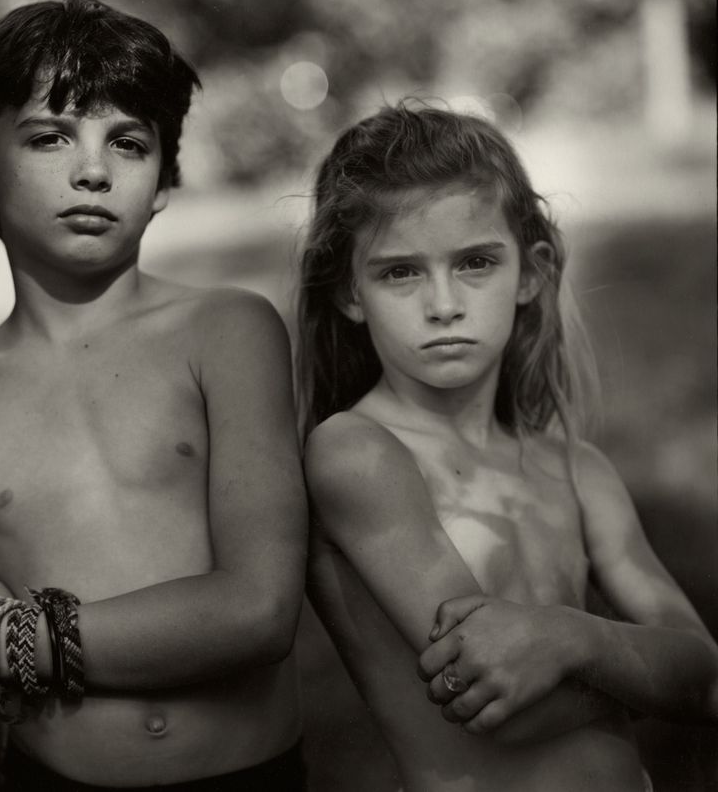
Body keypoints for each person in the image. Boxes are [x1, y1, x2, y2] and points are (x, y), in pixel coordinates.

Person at [0, 0, 308, 791]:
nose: (93, 170)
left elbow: (260, 610)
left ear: (162, 183)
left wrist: (16, 642)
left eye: (128, 142)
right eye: (50, 138)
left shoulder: (227, 333)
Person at [296, 101, 718, 791]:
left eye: (475, 263)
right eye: (400, 272)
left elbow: (706, 682)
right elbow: (503, 704)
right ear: (348, 290)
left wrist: (572, 637)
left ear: (529, 271)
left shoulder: (578, 470)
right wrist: (649, 672)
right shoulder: (358, 455)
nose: (443, 304)